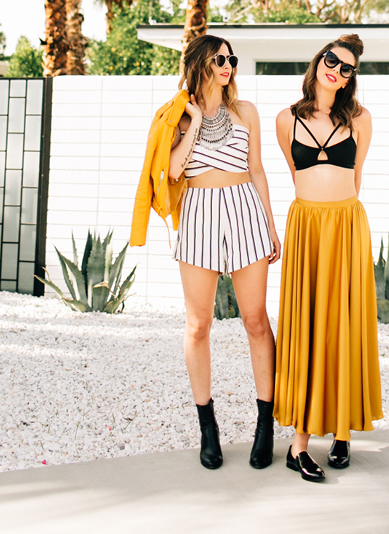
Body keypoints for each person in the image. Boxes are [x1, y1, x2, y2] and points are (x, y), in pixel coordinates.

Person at [169, 33, 281, 470]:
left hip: (245, 213)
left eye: (231, 58)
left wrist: (271, 227)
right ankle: (208, 428)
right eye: (219, 58)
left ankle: (264, 425)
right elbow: (175, 169)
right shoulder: (176, 116)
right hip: (197, 218)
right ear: (200, 63)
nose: (228, 64)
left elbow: (256, 170)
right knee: (198, 326)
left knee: (255, 320)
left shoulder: (246, 111)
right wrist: (194, 121)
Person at [274, 33, 383, 482]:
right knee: (307, 325)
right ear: (318, 61)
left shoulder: (360, 118)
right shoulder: (286, 119)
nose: (335, 71)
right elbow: (295, 172)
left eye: (346, 68)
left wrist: (337, 210)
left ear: (351, 78)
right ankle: (298, 445)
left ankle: (342, 431)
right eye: (331, 61)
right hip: (306, 228)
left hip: (346, 226)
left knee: (344, 323)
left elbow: (356, 177)